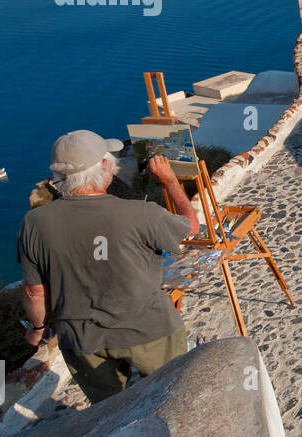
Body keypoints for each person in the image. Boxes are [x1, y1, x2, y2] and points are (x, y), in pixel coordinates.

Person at [16, 129, 200, 404]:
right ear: (104, 166)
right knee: (175, 394)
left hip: (82, 339)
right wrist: (171, 181)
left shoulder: (33, 223)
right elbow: (192, 227)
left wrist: (38, 330)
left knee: (110, 412)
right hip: (148, 328)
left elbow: (34, 292)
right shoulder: (141, 213)